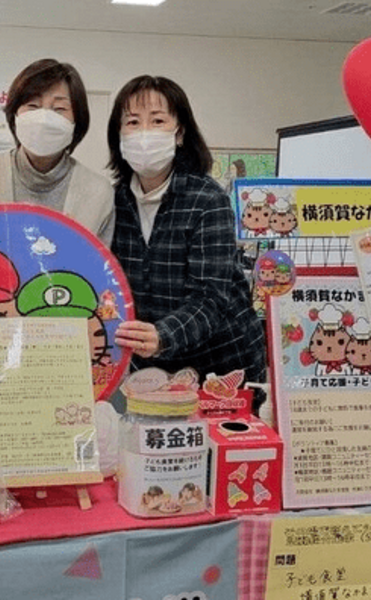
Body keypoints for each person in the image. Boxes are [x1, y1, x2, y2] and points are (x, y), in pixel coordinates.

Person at [107, 75, 266, 407]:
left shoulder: (208, 200)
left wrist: (163, 335)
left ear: (179, 133)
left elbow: (211, 297)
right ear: (118, 135)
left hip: (221, 366)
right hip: (152, 369)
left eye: (158, 121)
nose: (144, 132)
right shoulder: (113, 202)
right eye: (133, 122)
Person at [0, 59, 114, 245]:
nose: (44, 118)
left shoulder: (98, 192)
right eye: (33, 105)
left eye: (59, 109)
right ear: (15, 114)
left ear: (77, 121)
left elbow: (99, 260)